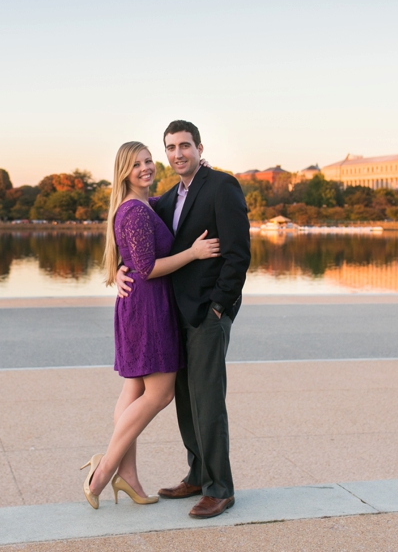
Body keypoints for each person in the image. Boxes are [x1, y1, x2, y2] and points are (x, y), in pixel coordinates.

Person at [117, 121, 251, 519]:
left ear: (199, 147)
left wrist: (219, 307)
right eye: (171, 147)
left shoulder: (221, 186)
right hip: (172, 314)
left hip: (207, 314)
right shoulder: (165, 198)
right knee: (186, 401)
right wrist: (119, 271)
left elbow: (238, 253)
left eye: (185, 146)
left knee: (208, 401)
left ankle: (219, 488)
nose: (178, 154)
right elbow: (134, 240)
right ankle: (196, 473)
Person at [82, 141, 221, 509]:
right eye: (136, 164)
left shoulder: (145, 205)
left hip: (139, 308)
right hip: (148, 310)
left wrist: (118, 269)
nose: (146, 168)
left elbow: (135, 255)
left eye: (148, 161)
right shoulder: (136, 212)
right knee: (159, 394)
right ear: (124, 172)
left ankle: (128, 477)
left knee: (132, 392)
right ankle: (103, 471)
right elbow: (147, 268)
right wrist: (192, 253)